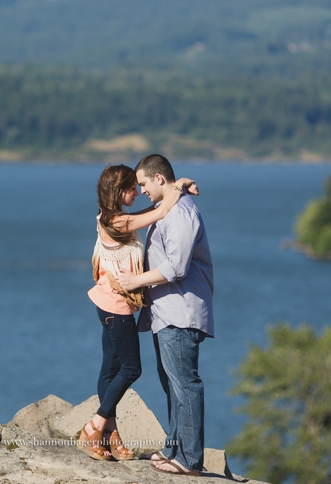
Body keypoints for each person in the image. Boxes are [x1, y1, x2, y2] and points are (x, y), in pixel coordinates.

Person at [79, 164, 197, 461]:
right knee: (132, 369)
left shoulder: (112, 216)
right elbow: (157, 213)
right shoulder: (116, 223)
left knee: (110, 368)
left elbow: (148, 209)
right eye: (133, 188)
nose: (138, 192)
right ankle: (96, 424)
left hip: (108, 304)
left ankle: (109, 433)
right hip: (116, 308)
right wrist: (178, 186)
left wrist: (175, 185)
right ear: (120, 191)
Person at [115, 154, 214, 476]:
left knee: (185, 383)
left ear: (158, 179)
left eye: (143, 183)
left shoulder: (182, 213)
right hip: (166, 312)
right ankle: (175, 448)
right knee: (172, 383)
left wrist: (135, 281)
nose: (141, 189)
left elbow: (177, 266)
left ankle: (189, 460)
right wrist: (181, 184)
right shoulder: (168, 209)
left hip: (181, 312)